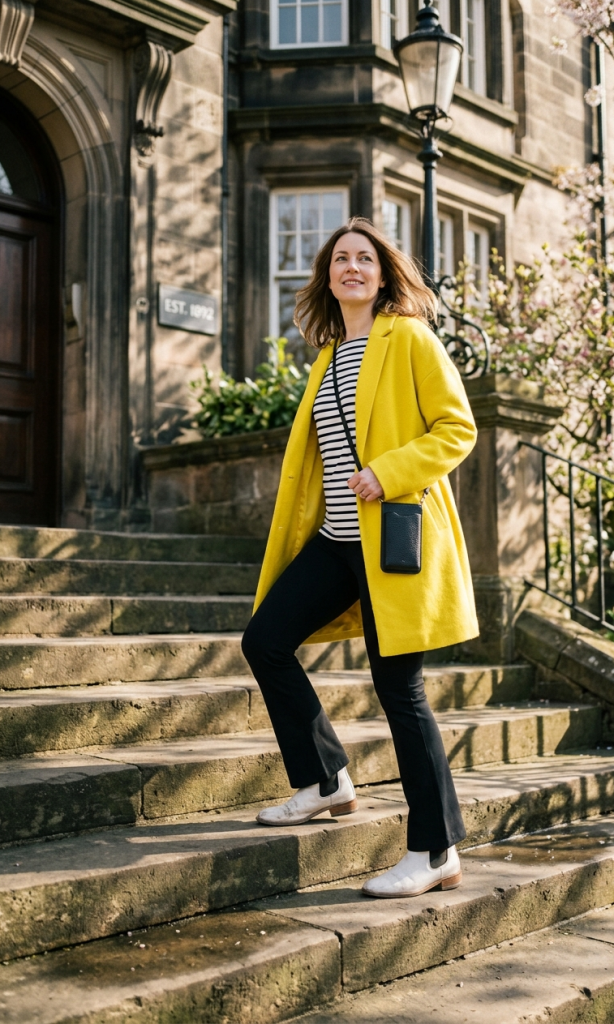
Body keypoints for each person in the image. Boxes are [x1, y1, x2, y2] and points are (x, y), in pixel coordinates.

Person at [241, 216, 479, 898]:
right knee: (266, 639)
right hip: (337, 541)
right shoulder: (325, 355)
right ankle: (325, 778)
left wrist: (391, 469)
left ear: (382, 275)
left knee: (401, 692)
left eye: (364, 259)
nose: (351, 267)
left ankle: (435, 850)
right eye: (340, 259)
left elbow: (456, 426)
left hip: (392, 544)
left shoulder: (407, 337)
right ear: (327, 278)